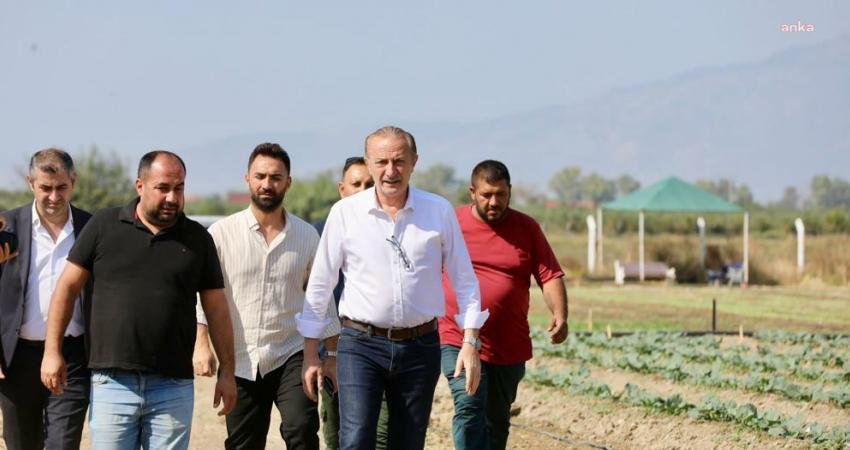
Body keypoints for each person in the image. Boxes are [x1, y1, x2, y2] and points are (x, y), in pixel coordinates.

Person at [297, 126, 489, 450]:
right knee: (356, 440)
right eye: (382, 162)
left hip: (419, 346)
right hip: (360, 345)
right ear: (369, 165)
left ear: (415, 162)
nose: (391, 171)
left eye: (399, 161)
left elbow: (464, 279)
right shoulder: (345, 214)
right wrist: (309, 354)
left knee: (408, 443)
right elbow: (320, 285)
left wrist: (470, 341)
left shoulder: (438, 211)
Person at [39, 150, 237, 450]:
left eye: (179, 188)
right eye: (163, 188)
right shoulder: (104, 225)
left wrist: (228, 373)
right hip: (112, 384)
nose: (172, 197)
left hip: (173, 386)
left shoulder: (197, 239)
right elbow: (66, 288)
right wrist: (52, 351)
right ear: (140, 185)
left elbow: (217, 309)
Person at [193, 143, 340, 450]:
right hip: (240, 357)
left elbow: (320, 299)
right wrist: (202, 342)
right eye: (260, 176)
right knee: (243, 443)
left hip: (291, 351)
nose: (267, 184)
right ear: (248, 178)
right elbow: (205, 293)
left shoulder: (306, 235)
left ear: (288, 182)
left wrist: (331, 356)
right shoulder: (221, 233)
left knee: (301, 429)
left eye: (276, 177)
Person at [440, 160, 568, 450]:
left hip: (508, 343)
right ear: (472, 192)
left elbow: (549, 275)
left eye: (501, 194)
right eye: (487, 195)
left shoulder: (527, 228)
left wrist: (560, 314)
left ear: (510, 191)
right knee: (469, 405)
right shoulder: (452, 224)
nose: (494, 201)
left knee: (496, 420)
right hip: (455, 336)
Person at [0, 149, 91, 450]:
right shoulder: (5, 228)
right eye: (45, 188)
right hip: (15, 359)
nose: (54, 196)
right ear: (31, 183)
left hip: (72, 358)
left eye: (61, 187)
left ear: (73, 182)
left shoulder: (91, 229)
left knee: (62, 445)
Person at [313, 156, 377, 450]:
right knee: (340, 436)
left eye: (370, 184)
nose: (363, 190)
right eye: (356, 184)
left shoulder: (390, 233)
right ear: (342, 189)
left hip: (381, 348)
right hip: (335, 352)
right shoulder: (319, 233)